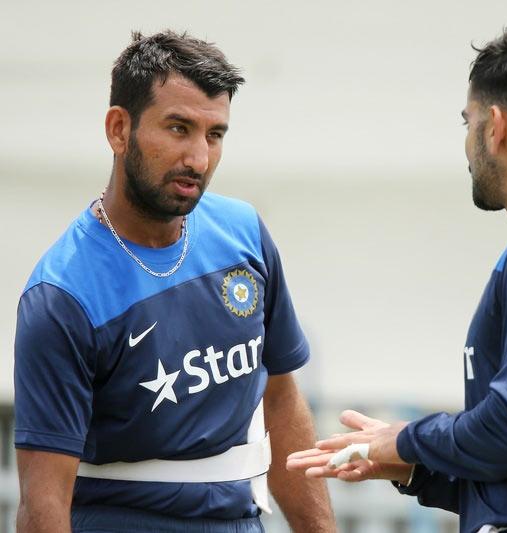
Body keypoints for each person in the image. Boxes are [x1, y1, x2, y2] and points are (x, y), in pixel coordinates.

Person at [287, 18, 507, 533]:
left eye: (467, 122)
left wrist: (407, 438)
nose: (467, 143)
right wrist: (413, 467)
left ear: (495, 127)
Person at [14, 30, 335, 533]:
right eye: (178, 128)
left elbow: (281, 400)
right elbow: (42, 505)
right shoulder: (62, 295)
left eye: (215, 135)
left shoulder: (244, 233)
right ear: (119, 129)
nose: (199, 159)